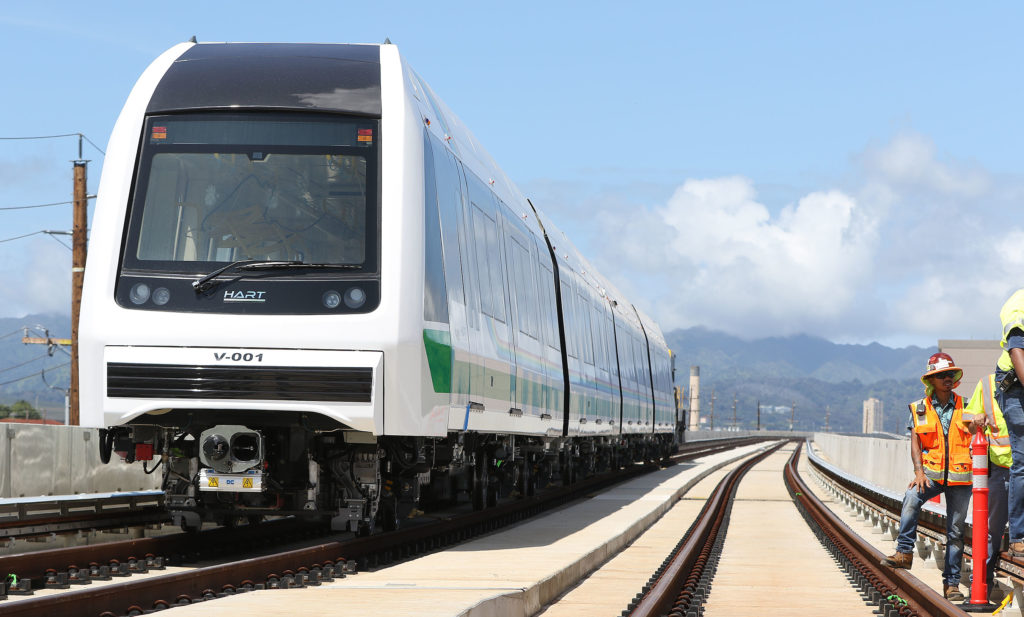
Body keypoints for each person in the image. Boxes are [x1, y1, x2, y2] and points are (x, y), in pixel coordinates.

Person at [880, 352, 980, 602]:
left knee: (956, 531)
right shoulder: (919, 408)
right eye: (942, 375)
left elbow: (978, 433)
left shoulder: (967, 406)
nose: (948, 379)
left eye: (951, 375)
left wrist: (980, 422)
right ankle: (904, 552)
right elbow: (914, 441)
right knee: (912, 497)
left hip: (961, 477)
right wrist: (919, 472)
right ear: (932, 380)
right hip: (931, 474)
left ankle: (952, 585)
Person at [964, 373, 1011, 600]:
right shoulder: (987, 383)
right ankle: (981, 585)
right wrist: (977, 420)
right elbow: (970, 427)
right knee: (992, 531)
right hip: (998, 468)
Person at [996, 290, 1024, 558]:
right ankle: (1019, 535)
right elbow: (1017, 352)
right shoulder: (1019, 304)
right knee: (1023, 461)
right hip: (1016, 386)